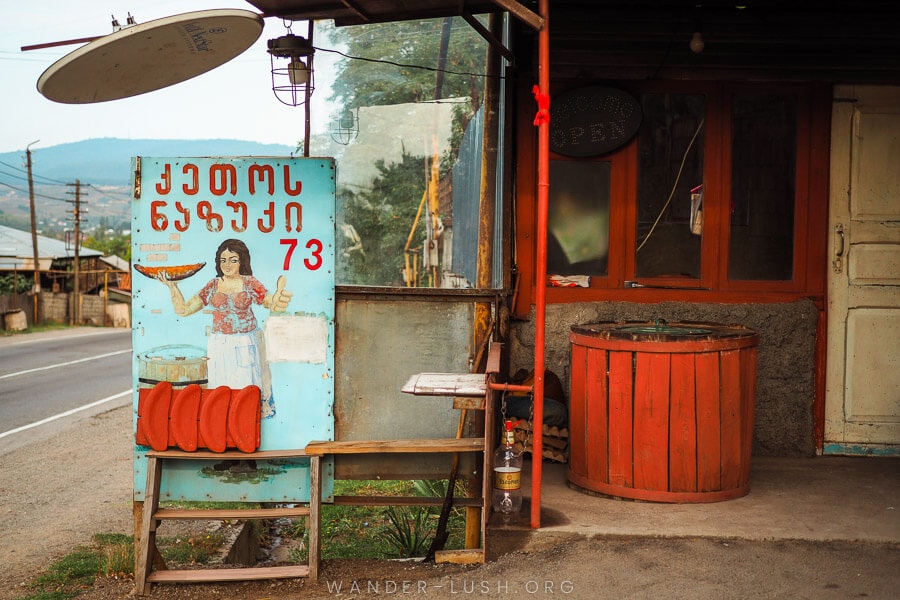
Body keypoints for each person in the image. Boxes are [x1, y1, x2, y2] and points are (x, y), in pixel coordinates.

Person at [158, 238, 291, 419]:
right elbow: (184, 309)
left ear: (242, 261)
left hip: (245, 342)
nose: (227, 265)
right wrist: (172, 287)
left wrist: (278, 299)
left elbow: (269, 301)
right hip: (219, 344)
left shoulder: (249, 283)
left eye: (233, 260)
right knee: (220, 392)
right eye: (223, 260)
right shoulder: (213, 285)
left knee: (246, 391)